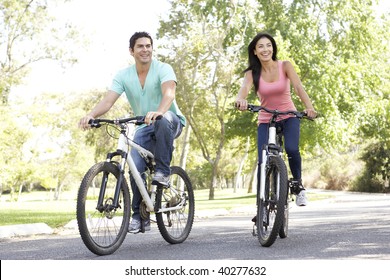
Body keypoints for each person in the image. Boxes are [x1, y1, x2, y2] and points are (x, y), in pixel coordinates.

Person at [79, 31, 186, 233]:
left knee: (163, 120)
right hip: (144, 126)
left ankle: (163, 172)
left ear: (152, 49)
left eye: (148, 46)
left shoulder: (164, 68)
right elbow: (108, 100)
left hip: (170, 121)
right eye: (140, 46)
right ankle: (139, 216)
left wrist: (158, 111)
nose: (145, 50)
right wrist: (91, 114)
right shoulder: (123, 75)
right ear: (131, 51)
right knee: (135, 167)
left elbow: (169, 93)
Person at [235, 32, 317, 207]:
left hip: (289, 115)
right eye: (261, 46)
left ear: (273, 48)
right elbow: (244, 88)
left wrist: (309, 107)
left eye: (268, 45)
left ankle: (298, 185)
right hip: (266, 118)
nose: (265, 49)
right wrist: (240, 100)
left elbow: (298, 86)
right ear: (255, 51)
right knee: (262, 158)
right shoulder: (252, 73)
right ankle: (261, 204)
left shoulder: (285, 66)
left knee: (292, 148)